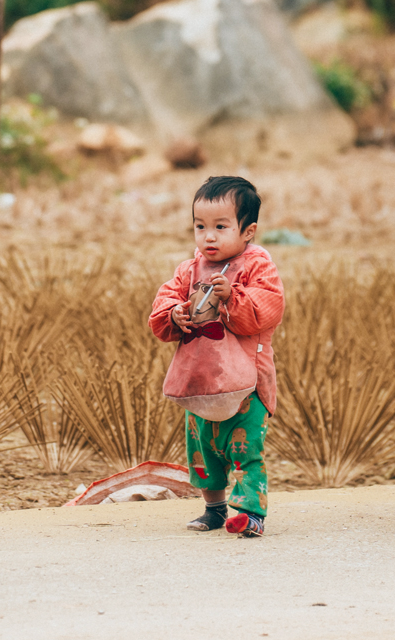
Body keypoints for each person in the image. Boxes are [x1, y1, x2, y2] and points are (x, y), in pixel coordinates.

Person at [148, 175, 286, 538]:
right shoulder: (188, 270)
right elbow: (161, 308)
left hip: (246, 384)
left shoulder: (258, 267)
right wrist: (174, 313)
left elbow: (265, 312)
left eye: (221, 227)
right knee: (203, 451)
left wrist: (233, 297)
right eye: (200, 226)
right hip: (200, 380)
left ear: (248, 231)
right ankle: (213, 507)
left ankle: (249, 512)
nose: (208, 236)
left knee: (244, 447)